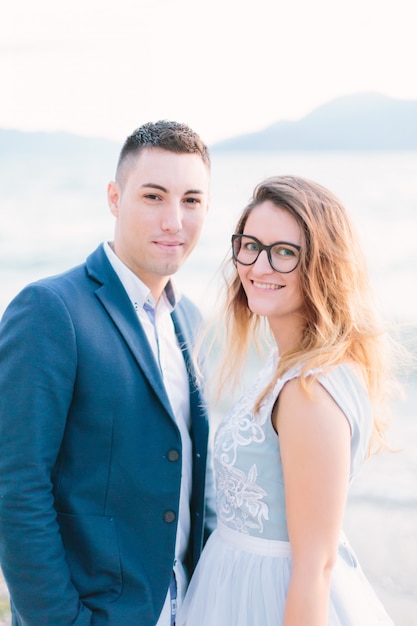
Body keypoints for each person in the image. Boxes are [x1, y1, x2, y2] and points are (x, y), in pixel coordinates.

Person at [0, 120, 216, 626]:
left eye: (191, 200)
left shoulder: (192, 321)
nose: (173, 221)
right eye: (153, 196)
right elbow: (15, 486)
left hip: (187, 607)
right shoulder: (50, 310)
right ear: (115, 198)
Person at [177, 175, 397, 625]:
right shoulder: (284, 363)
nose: (259, 267)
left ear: (321, 266)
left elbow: (316, 566)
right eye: (250, 245)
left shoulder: (308, 391)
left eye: (284, 252)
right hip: (233, 585)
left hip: (272, 598)